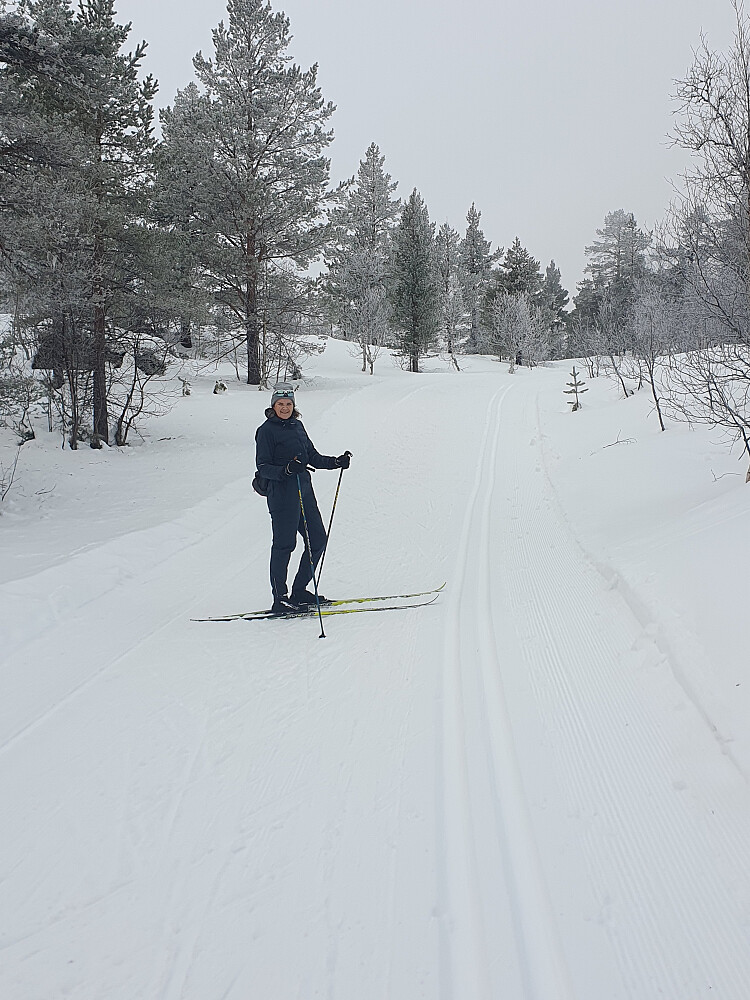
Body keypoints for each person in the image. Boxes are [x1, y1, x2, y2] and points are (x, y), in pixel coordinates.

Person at [255, 383, 351, 615]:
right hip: (282, 495)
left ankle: (299, 591)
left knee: (318, 540)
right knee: (285, 545)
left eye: (288, 403)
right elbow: (263, 467)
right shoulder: (266, 431)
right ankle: (280, 599)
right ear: (273, 406)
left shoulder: (297, 426)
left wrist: (336, 462)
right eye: (280, 404)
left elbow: (312, 456)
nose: (285, 408)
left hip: (304, 492)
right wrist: (286, 469)